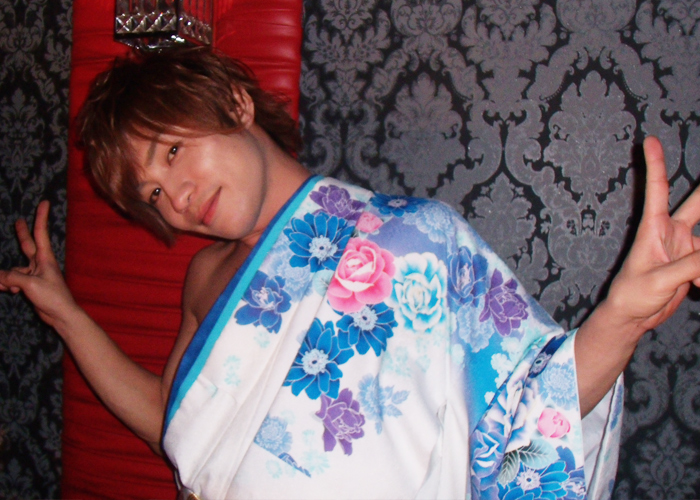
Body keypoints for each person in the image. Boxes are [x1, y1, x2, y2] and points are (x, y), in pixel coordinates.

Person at [2, 46, 700, 500]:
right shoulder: (205, 278)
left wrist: (623, 316)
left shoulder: (414, 238)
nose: (175, 197)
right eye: (152, 193)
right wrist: (65, 312)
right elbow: (172, 424)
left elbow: (526, 401)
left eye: (174, 151)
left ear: (235, 105)